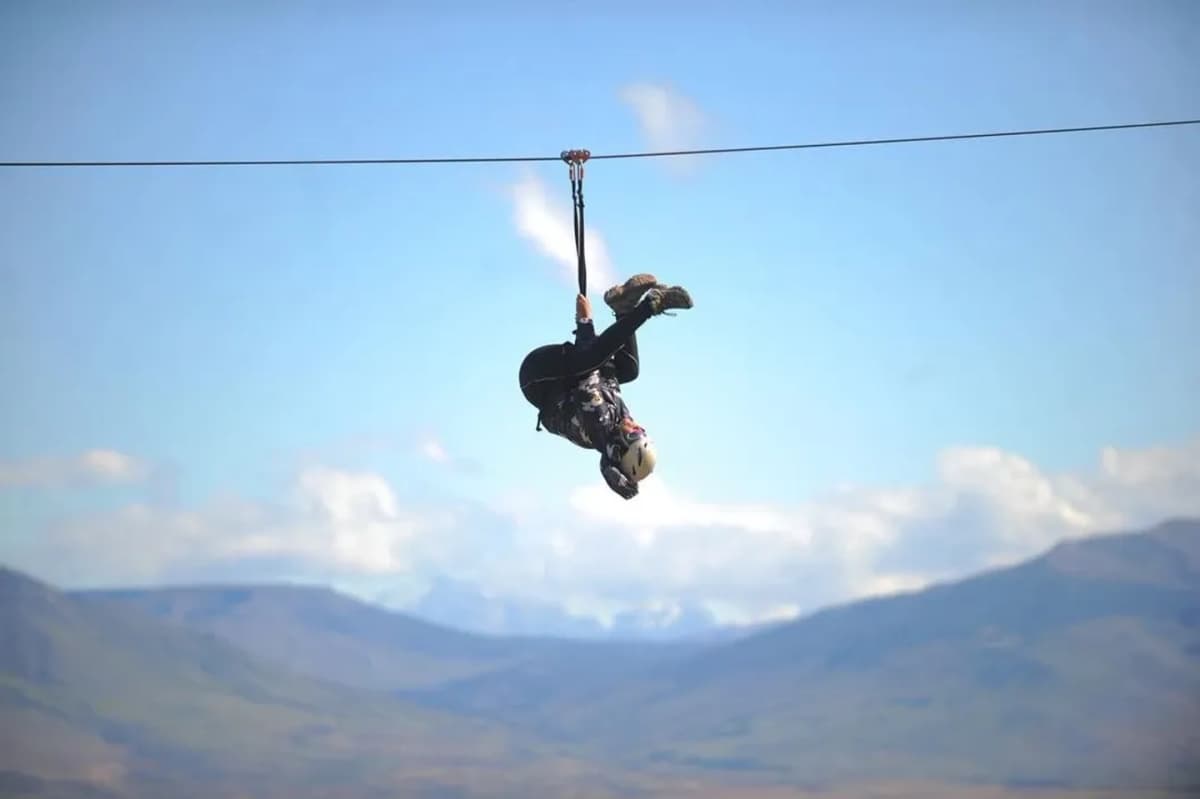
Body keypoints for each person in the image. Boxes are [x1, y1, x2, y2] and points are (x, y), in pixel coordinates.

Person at [518, 274, 693, 499]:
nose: (637, 426)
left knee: (592, 361)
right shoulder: (617, 426)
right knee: (629, 371)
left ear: (622, 446)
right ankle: (623, 307)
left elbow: (587, 362)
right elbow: (605, 377)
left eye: (636, 434)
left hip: (538, 376)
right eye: (643, 431)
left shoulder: (598, 421)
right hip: (569, 379)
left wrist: (585, 322)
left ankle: (651, 305)